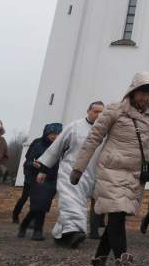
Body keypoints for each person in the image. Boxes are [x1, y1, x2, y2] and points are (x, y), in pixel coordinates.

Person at [70, 71, 149, 266]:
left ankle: (98, 261)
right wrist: (78, 168)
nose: (145, 98)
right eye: (142, 93)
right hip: (112, 169)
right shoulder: (114, 110)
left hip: (135, 174)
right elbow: (93, 138)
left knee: (118, 216)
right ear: (133, 91)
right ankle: (122, 261)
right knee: (116, 213)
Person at [36, 101, 105, 248]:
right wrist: (44, 170)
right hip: (70, 170)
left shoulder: (104, 131)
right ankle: (76, 232)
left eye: (101, 112)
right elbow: (56, 147)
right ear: (88, 111)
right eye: (96, 111)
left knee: (77, 202)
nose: (98, 115)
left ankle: (60, 234)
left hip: (90, 174)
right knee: (71, 201)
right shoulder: (74, 127)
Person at [18, 123, 62, 241]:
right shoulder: (37, 143)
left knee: (41, 206)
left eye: (58, 134)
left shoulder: (61, 145)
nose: (55, 136)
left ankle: (24, 224)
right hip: (36, 177)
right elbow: (27, 162)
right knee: (39, 204)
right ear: (46, 133)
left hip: (53, 178)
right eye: (52, 134)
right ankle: (38, 231)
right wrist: (33, 164)